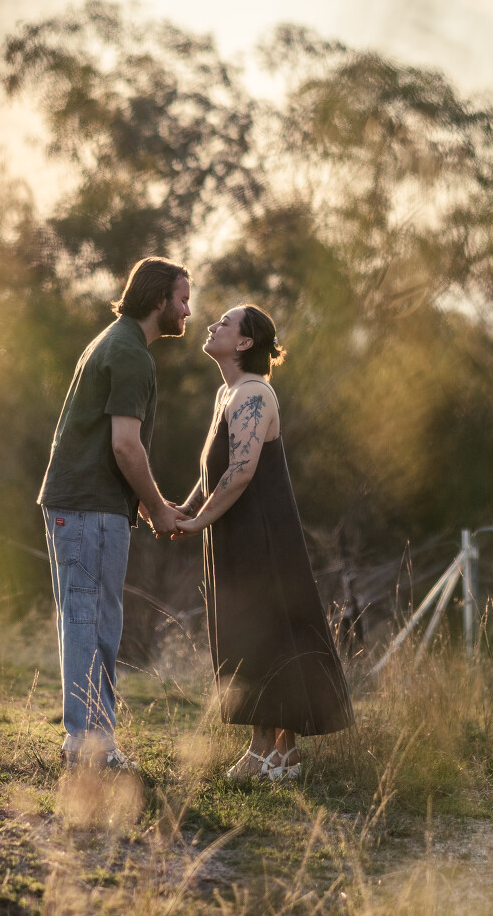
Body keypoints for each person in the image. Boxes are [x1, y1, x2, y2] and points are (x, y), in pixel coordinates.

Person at [171, 305, 354, 781]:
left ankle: (263, 753)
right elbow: (212, 471)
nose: (211, 326)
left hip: (263, 539)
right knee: (256, 636)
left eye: (224, 323)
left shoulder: (255, 393)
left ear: (245, 343)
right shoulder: (228, 393)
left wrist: (198, 522)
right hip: (236, 534)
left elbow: (240, 471)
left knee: (263, 637)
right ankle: (283, 756)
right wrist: (184, 511)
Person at [38, 257, 191, 770]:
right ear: (158, 299)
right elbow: (126, 445)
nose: (187, 311)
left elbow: (112, 445)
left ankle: (89, 743)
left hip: (82, 504)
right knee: (91, 622)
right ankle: (90, 748)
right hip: (90, 508)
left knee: (90, 621)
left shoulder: (113, 341)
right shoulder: (130, 353)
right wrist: (158, 509)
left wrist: (144, 503)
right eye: (182, 299)